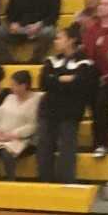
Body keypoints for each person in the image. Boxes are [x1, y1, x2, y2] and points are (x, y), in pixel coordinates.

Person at [37, 27, 98, 182]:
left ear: (71, 40)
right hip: (48, 110)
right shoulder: (51, 60)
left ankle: (66, 182)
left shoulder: (84, 62)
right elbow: (43, 82)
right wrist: (65, 79)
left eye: (59, 38)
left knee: (67, 149)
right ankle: (45, 182)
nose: (55, 41)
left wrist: (56, 79)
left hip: (70, 112)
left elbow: (81, 84)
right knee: (44, 147)